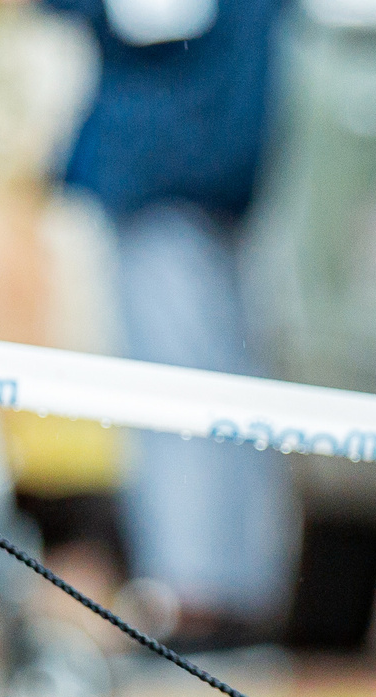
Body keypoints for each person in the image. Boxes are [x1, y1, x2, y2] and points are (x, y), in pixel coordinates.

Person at [48, 0, 297, 651]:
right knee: (228, 390)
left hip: (170, 162)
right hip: (231, 160)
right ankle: (227, 593)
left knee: (174, 398)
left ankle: (196, 603)